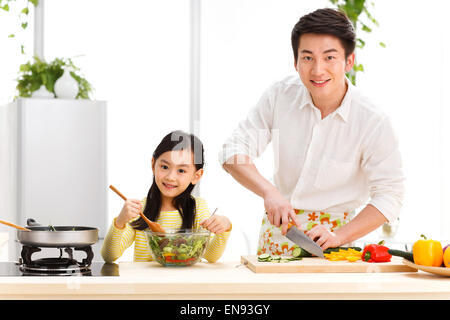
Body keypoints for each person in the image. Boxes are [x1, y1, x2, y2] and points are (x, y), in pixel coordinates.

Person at [218, 8, 404, 255]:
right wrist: (269, 192)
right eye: (307, 58)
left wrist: (339, 235)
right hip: (278, 234)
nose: (317, 70)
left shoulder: (373, 121)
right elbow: (233, 151)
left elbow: (390, 196)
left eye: (329, 58)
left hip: (337, 242)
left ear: (349, 61)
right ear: (295, 62)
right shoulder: (279, 96)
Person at [102, 130, 232, 263]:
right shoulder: (140, 210)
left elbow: (210, 256)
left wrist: (225, 227)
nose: (170, 177)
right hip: (146, 283)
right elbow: (109, 256)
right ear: (153, 165)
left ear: (196, 176)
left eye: (181, 170)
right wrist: (120, 222)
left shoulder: (197, 207)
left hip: (186, 283)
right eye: (164, 167)